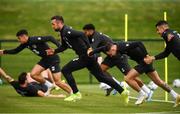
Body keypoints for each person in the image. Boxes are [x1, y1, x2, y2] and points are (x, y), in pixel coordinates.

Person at [46, 15, 129, 103]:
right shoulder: (63, 33)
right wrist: (54, 51)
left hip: (85, 56)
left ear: (59, 23)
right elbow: (64, 46)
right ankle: (123, 91)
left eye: (53, 24)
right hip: (88, 57)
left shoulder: (67, 31)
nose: (52, 26)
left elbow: (82, 34)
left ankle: (76, 94)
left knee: (66, 70)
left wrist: (89, 47)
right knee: (102, 78)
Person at [89, 41, 180, 107]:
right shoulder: (113, 48)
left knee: (127, 78)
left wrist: (146, 55)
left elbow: (139, 43)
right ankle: (176, 96)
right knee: (158, 82)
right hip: (144, 63)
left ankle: (142, 94)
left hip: (143, 62)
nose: (111, 55)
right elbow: (101, 48)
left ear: (113, 48)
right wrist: (91, 53)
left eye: (111, 53)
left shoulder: (122, 46)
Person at [83, 24, 153, 99]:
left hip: (119, 57)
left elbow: (93, 48)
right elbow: (97, 49)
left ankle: (147, 91)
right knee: (100, 70)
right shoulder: (94, 37)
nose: (84, 34)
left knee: (130, 76)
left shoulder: (96, 36)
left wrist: (85, 54)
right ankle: (117, 84)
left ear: (90, 31)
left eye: (85, 32)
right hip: (111, 56)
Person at [0, 29, 72, 95]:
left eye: (19, 38)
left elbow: (50, 37)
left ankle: (73, 93)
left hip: (53, 59)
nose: (19, 40)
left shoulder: (34, 39)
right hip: (45, 60)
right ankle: (49, 85)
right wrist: (3, 51)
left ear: (24, 36)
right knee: (33, 74)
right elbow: (15, 51)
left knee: (58, 82)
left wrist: (60, 47)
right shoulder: (25, 44)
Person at [0, 68, 65, 97]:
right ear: (25, 80)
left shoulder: (16, 84)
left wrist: (5, 75)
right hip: (43, 87)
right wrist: (58, 96)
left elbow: (7, 77)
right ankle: (55, 84)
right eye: (27, 77)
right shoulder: (31, 88)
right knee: (47, 69)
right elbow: (44, 95)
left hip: (35, 84)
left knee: (32, 75)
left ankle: (56, 83)